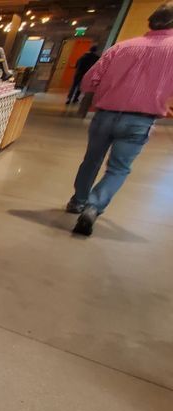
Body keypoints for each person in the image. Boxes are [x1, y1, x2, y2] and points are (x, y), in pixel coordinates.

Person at [68, 2, 173, 236]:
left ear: (151, 21)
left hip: (105, 114)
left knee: (91, 160)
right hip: (140, 119)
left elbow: (88, 81)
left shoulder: (123, 47)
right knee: (118, 168)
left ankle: (78, 201)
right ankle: (93, 206)